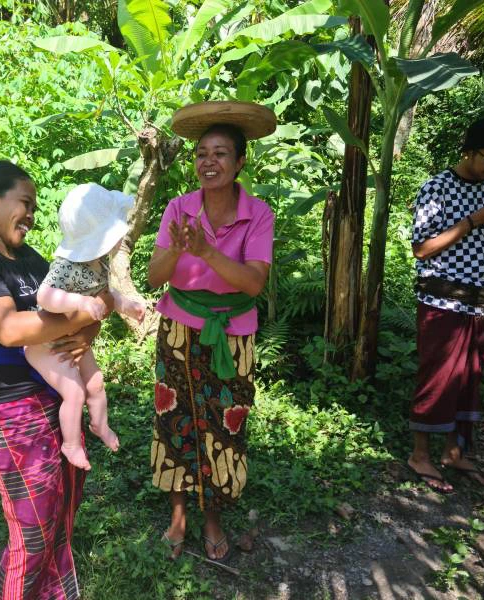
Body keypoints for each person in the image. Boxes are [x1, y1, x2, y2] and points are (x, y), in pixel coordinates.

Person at [0, 160, 111, 599]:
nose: (32, 215)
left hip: (61, 400)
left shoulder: (31, 259)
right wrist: (77, 319)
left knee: (60, 522)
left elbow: (89, 300)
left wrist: (89, 327)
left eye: (35, 207)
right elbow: (9, 328)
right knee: (33, 533)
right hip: (13, 408)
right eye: (25, 203)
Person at [147, 100, 276, 561]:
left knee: (227, 424)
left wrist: (206, 252)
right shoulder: (178, 209)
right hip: (179, 330)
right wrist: (177, 249)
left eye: (220, 153)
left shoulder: (258, 214)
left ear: (240, 162)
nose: (209, 161)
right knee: (174, 419)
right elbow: (153, 277)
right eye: (202, 153)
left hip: (233, 333)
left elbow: (254, 282)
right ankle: (179, 516)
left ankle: (215, 519)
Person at [408, 115, 484, 493]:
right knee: (439, 378)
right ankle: (419, 455)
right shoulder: (438, 188)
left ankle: (453, 451)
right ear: (468, 151)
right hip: (442, 300)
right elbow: (422, 248)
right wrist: (472, 221)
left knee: (468, 380)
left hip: (480, 300)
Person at [25, 183, 146, 471]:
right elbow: (44, 296)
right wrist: (79, 302)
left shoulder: (99, 264)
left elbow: (108, 295)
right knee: (75, 392)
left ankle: (100, 426)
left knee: (96, 384)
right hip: (44, 344)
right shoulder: (66, 265)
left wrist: (127, 305)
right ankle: (71, 445)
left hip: (70, 338)